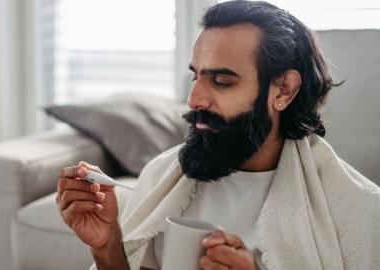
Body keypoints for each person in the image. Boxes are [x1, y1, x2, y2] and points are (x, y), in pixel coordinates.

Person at [56, 1, 380, 270]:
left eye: (222, 81)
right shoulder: (160, 176)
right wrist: (107, 246)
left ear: (284, 90)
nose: (195, 100)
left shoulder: (358, 208)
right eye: (196, 76)